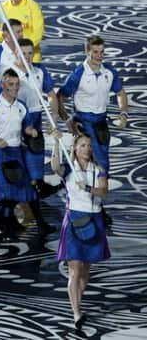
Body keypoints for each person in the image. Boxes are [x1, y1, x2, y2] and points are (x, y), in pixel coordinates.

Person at [57, 35, 127, 226]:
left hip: (101, 124)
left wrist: (123, 114)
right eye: (95, 52)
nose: (99, 56)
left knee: (102, 166)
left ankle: (96, 205)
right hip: (84, 125)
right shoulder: (78, 73)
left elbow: (121, 93)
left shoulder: (109, 72)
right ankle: (77, 205)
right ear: (86, 51)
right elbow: (60, 96)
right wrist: (67, 120)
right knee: (82, 165)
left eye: (102, 52)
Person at [0, 68, 53, 240]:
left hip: (15, 151)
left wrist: (31, 131)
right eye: (11, 84)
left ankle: (40, 224)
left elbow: (26, 126)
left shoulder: (21, 106)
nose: (15, 88)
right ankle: (3, 220)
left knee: (27, 190)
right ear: (3, 85)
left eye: (17, 84)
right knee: (7, 193)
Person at [51, 133, 109, 330]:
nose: (87, 148)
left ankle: (78, 301)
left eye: (89, 145)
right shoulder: (68, 168)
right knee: (74, 269)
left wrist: (88, 188)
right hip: (74, 219)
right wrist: (56, 145)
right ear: (75, 148)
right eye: (82, 145)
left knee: (85, 270)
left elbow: (104, 191)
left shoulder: (98, 169)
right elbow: (55, 167)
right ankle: (76, 313)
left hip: (94, 219)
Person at [12, 38, 61, 199]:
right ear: (15, 53)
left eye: (30, 53)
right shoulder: (9, 74)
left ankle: (37, 185)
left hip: (36, 117)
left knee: (36, 153)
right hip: (16, 120)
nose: (27, 57)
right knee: (17, 160)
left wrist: (53, 116)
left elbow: (52, 95)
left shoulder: (39, 71)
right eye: (23, 53)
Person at [0, 19, 24, 94]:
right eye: (18, 32)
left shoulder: (26, 50)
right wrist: (1, 94)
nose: (21, 35)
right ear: (6, 35)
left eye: (22, 31)